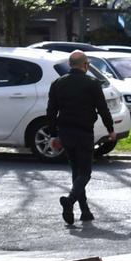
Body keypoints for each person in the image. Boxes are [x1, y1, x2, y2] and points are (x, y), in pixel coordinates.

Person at [47, 50, 112, 226]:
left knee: (76, 171)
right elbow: (102, 108)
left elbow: (51, 111)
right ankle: (70, 200)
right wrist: (110, 129)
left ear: (69, 64)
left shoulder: (57, 83)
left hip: (65, 132)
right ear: (86, 65)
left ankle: (85, 211)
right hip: (84, 132)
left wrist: (53, 134)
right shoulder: (91, 83)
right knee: (85, 172)